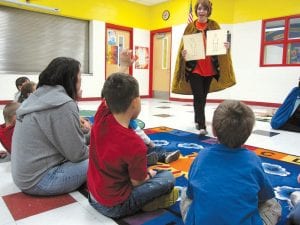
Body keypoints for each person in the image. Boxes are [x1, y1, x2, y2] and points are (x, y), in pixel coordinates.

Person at [87, 73, 178, 219]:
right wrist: (150, 174)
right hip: (114, 206)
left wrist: (123, 65)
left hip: (93, 195)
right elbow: (137, 182)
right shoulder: (135, 144)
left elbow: (111, 94)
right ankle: (146, 203)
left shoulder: (101, 117)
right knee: (167, 177)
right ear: (135, 102)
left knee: (138, 159)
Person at [180, 100, 281, 225]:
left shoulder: (201, 156)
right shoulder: (253, 160)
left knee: (185, 193)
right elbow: (264, 195)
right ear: (248, 133)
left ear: (214, 131)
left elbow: (191, 193)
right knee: (272, 204)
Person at [11, 57, 88, 196]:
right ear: (71, 80)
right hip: (42, 181)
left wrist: (89, 135)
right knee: (103, 157)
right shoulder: (63, 104)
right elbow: (78, 155)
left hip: (23, 178)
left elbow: (60, 133)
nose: (81, 82)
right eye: (80, 78)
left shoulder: (38, 97)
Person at [172, 0, 235, 136]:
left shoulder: (214, 26)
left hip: (210, 68)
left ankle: (196, 119)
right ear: (196, 10)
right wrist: (183, 54)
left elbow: (220, 45)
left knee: (202, 97)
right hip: (195, 68)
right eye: (199, 9)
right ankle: (202, 125)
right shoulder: (190, 27)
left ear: (208, 11)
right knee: (198, 95)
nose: (201, 11)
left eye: (204, 9)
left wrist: (226, 46)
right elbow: (183, 48)